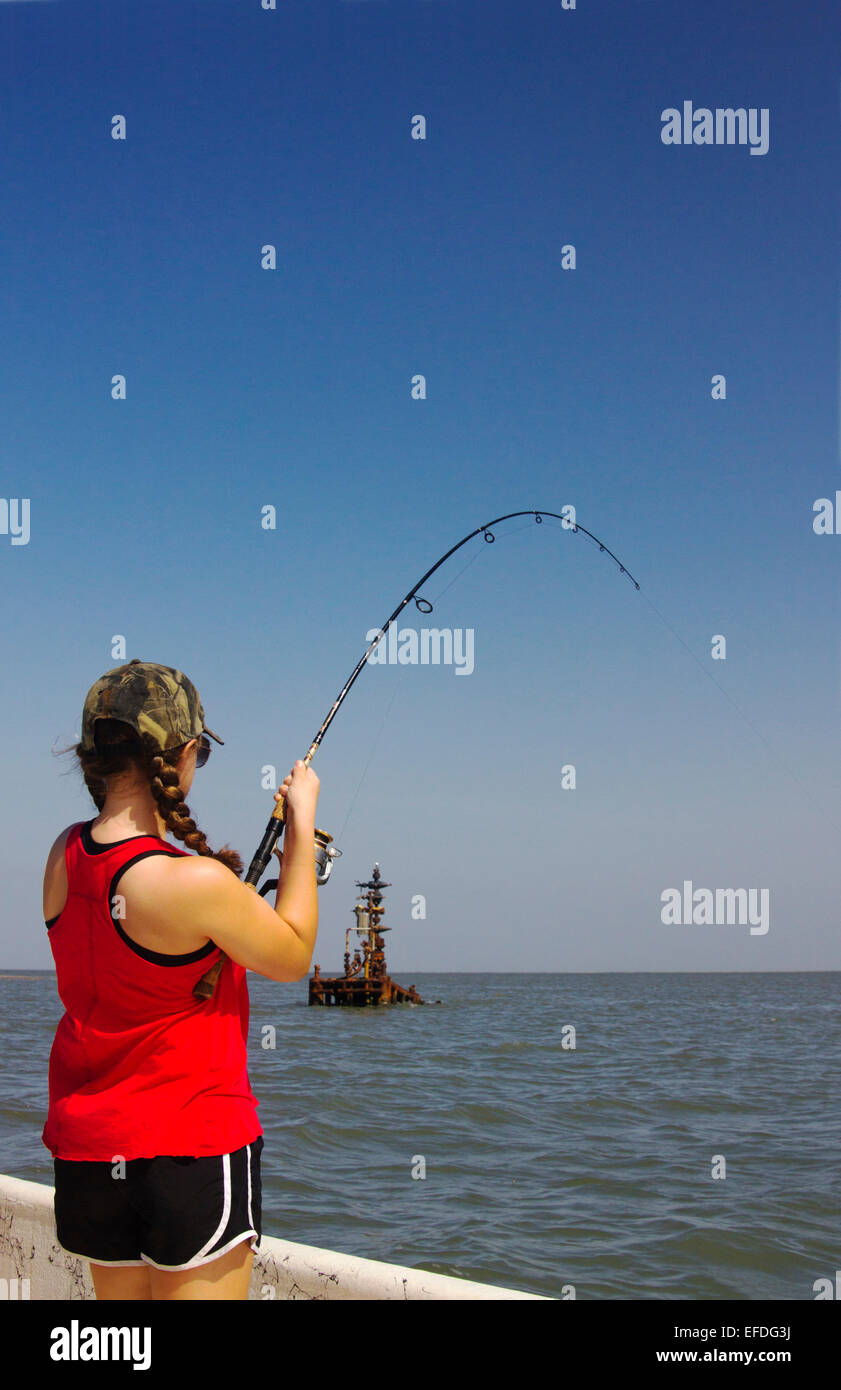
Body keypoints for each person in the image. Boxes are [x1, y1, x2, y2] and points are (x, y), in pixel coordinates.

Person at [41, 659, 320, 1301]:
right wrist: (300, 823)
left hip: (88, 1157)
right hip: (191, 1152)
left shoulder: (62, 856)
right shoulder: (192, 884)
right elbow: (293, 955)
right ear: (184, 754)